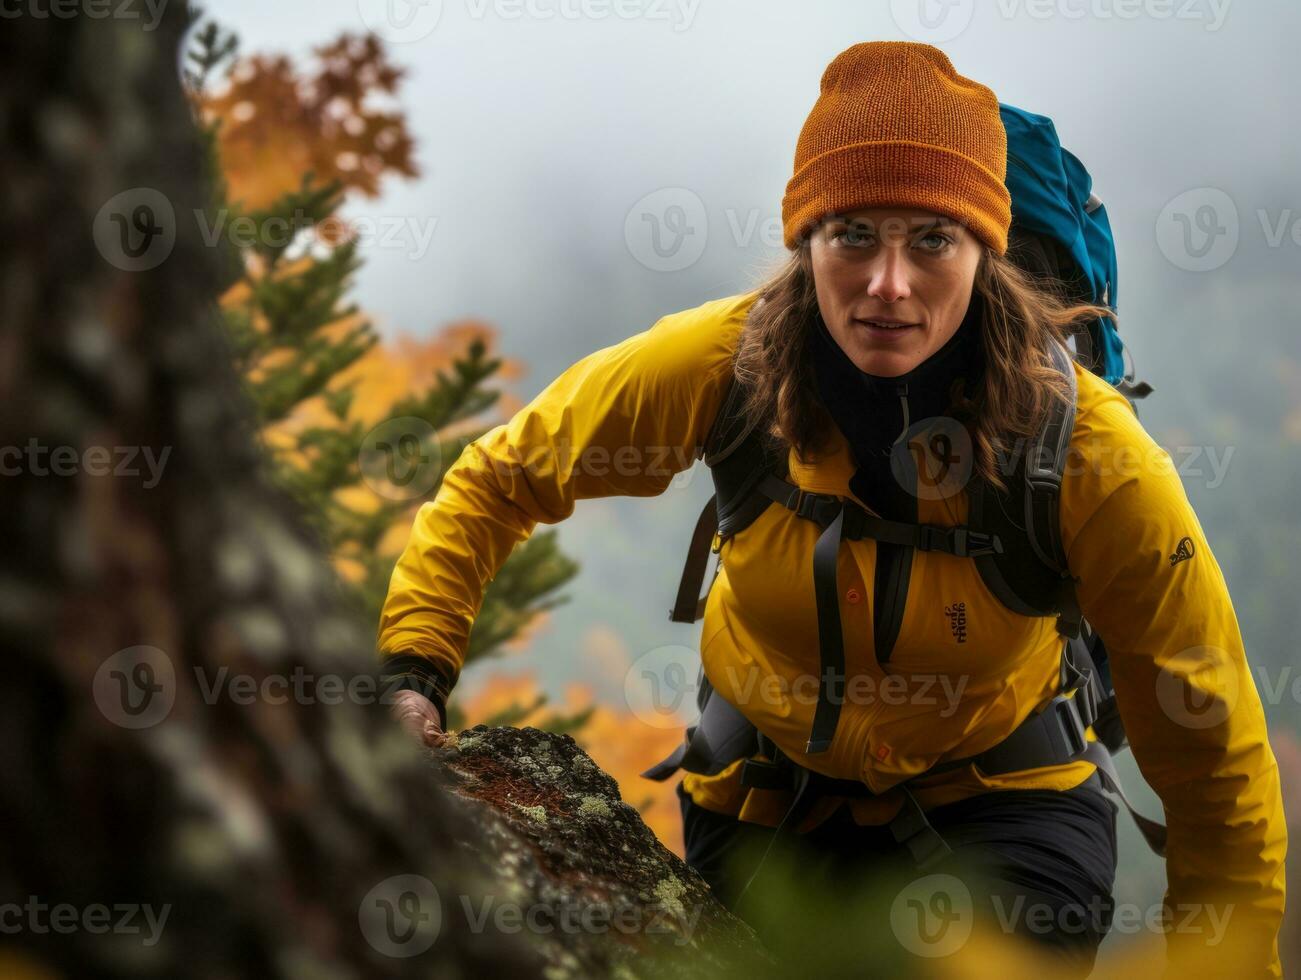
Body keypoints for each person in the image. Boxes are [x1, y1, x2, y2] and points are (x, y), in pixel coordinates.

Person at [377, 41, 1286, 977]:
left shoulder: (1089, 453)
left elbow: (1212, 760)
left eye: (932, 239)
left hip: (1007, 809)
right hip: (768, 807)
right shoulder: (719, 365)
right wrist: (414, 670)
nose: (888, 283)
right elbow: (497, 477)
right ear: (804, 241)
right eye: (852, 233)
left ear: (986, 251)